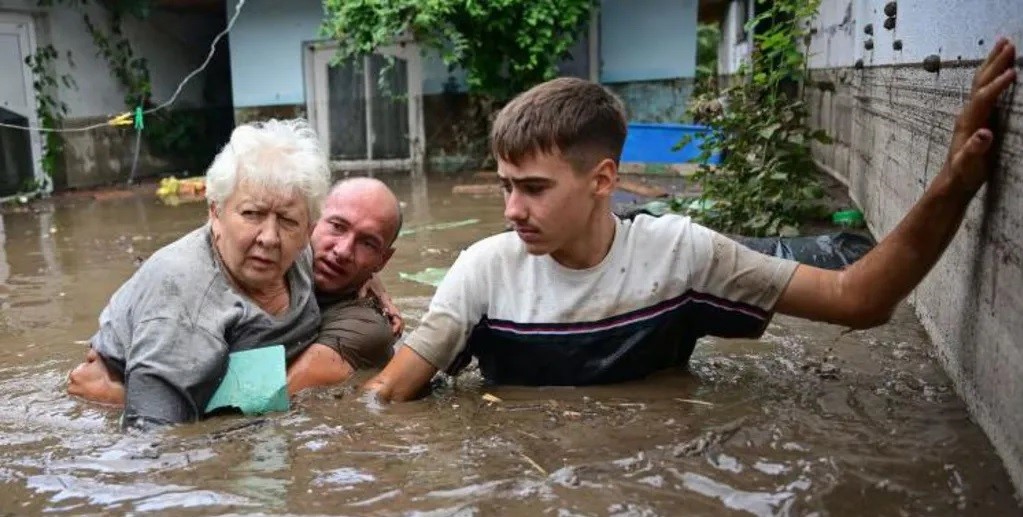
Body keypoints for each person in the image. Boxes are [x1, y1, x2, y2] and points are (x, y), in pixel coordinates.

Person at [362, 39, 1018, 401]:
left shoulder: (681, 255)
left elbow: (860, 298)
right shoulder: (483, 270)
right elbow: (386, 399)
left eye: (532, 189)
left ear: (603, 181)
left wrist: (953, 182)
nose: (510, 210)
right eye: (505, 186)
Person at [66, 118, 331, 429]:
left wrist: (371, 285)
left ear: (308, 230)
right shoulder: (184, 298)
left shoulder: (303, 251)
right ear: (215, 213)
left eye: (287, 220)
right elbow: (152, 438)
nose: (269, 237)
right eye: (252, 214)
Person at [286, 177, 404, 394]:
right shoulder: (278, 252)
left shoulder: (367, 329)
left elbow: (276, 396)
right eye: (337, 227)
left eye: (367, 243)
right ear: (311, 220)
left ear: (383, 260)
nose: (342, 251)